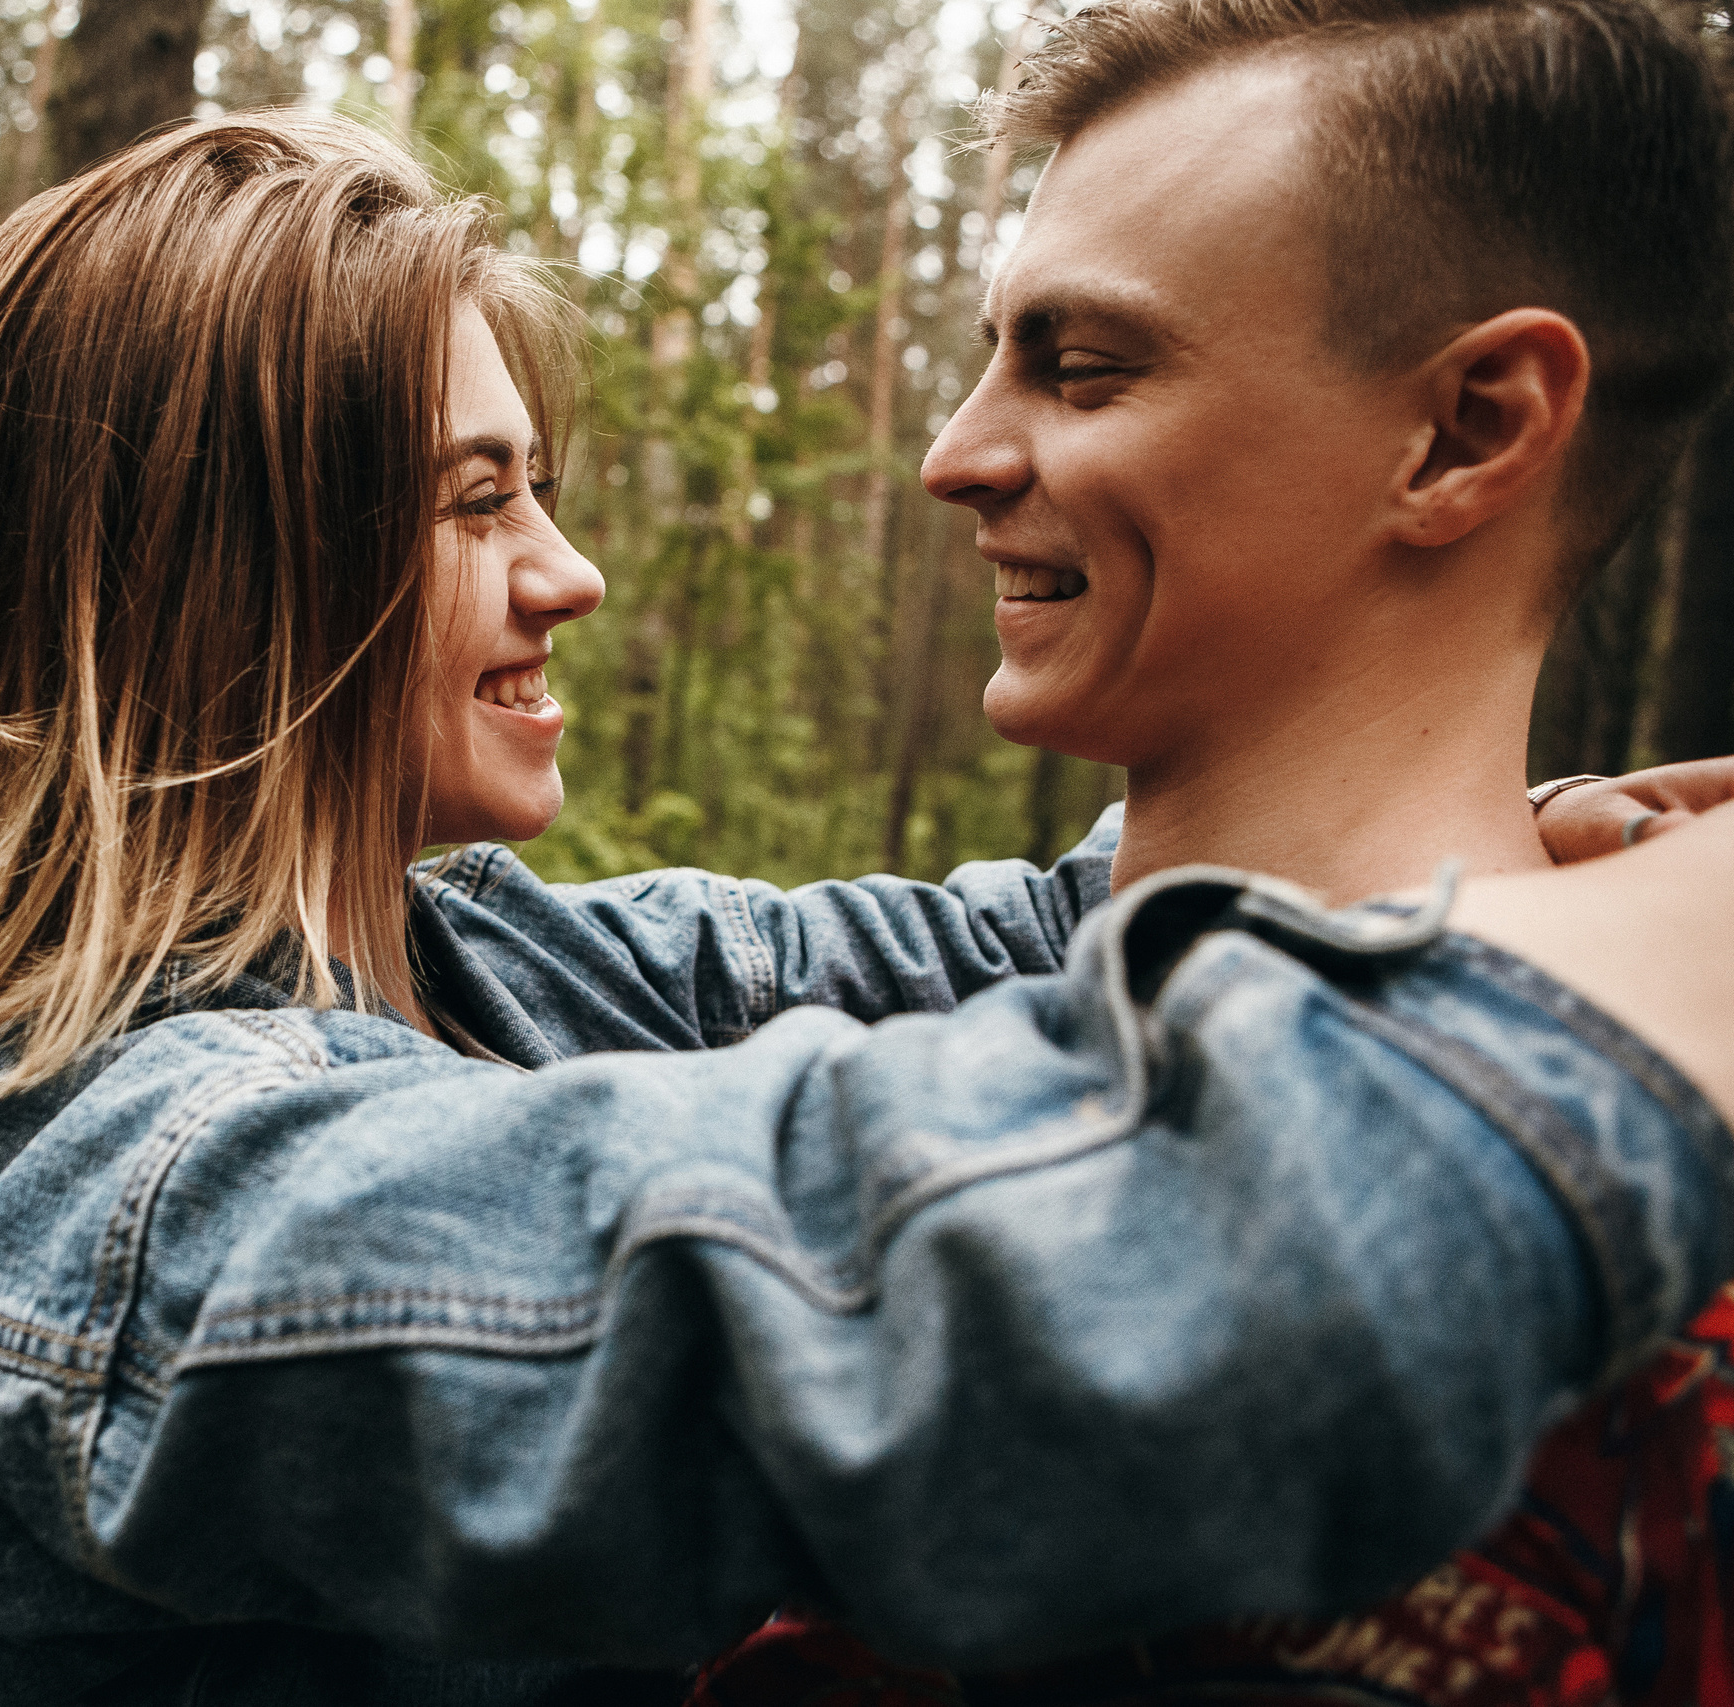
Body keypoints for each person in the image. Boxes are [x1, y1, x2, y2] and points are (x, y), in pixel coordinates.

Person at [0, 111, 1734, 1707]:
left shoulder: (475, 956)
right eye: (476, 503)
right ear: (230, 577)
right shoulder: (108, 1193)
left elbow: (965, 943)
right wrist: (1659, 967)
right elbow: (926, 1313)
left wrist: (1524, 837)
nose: (571, 574)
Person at [682, 0, 1734, 1702]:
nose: (955, 454)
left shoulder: (1671, 1309)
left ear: (1467, 430)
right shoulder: (857, 1071)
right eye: (987, 356)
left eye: (1082, 368)